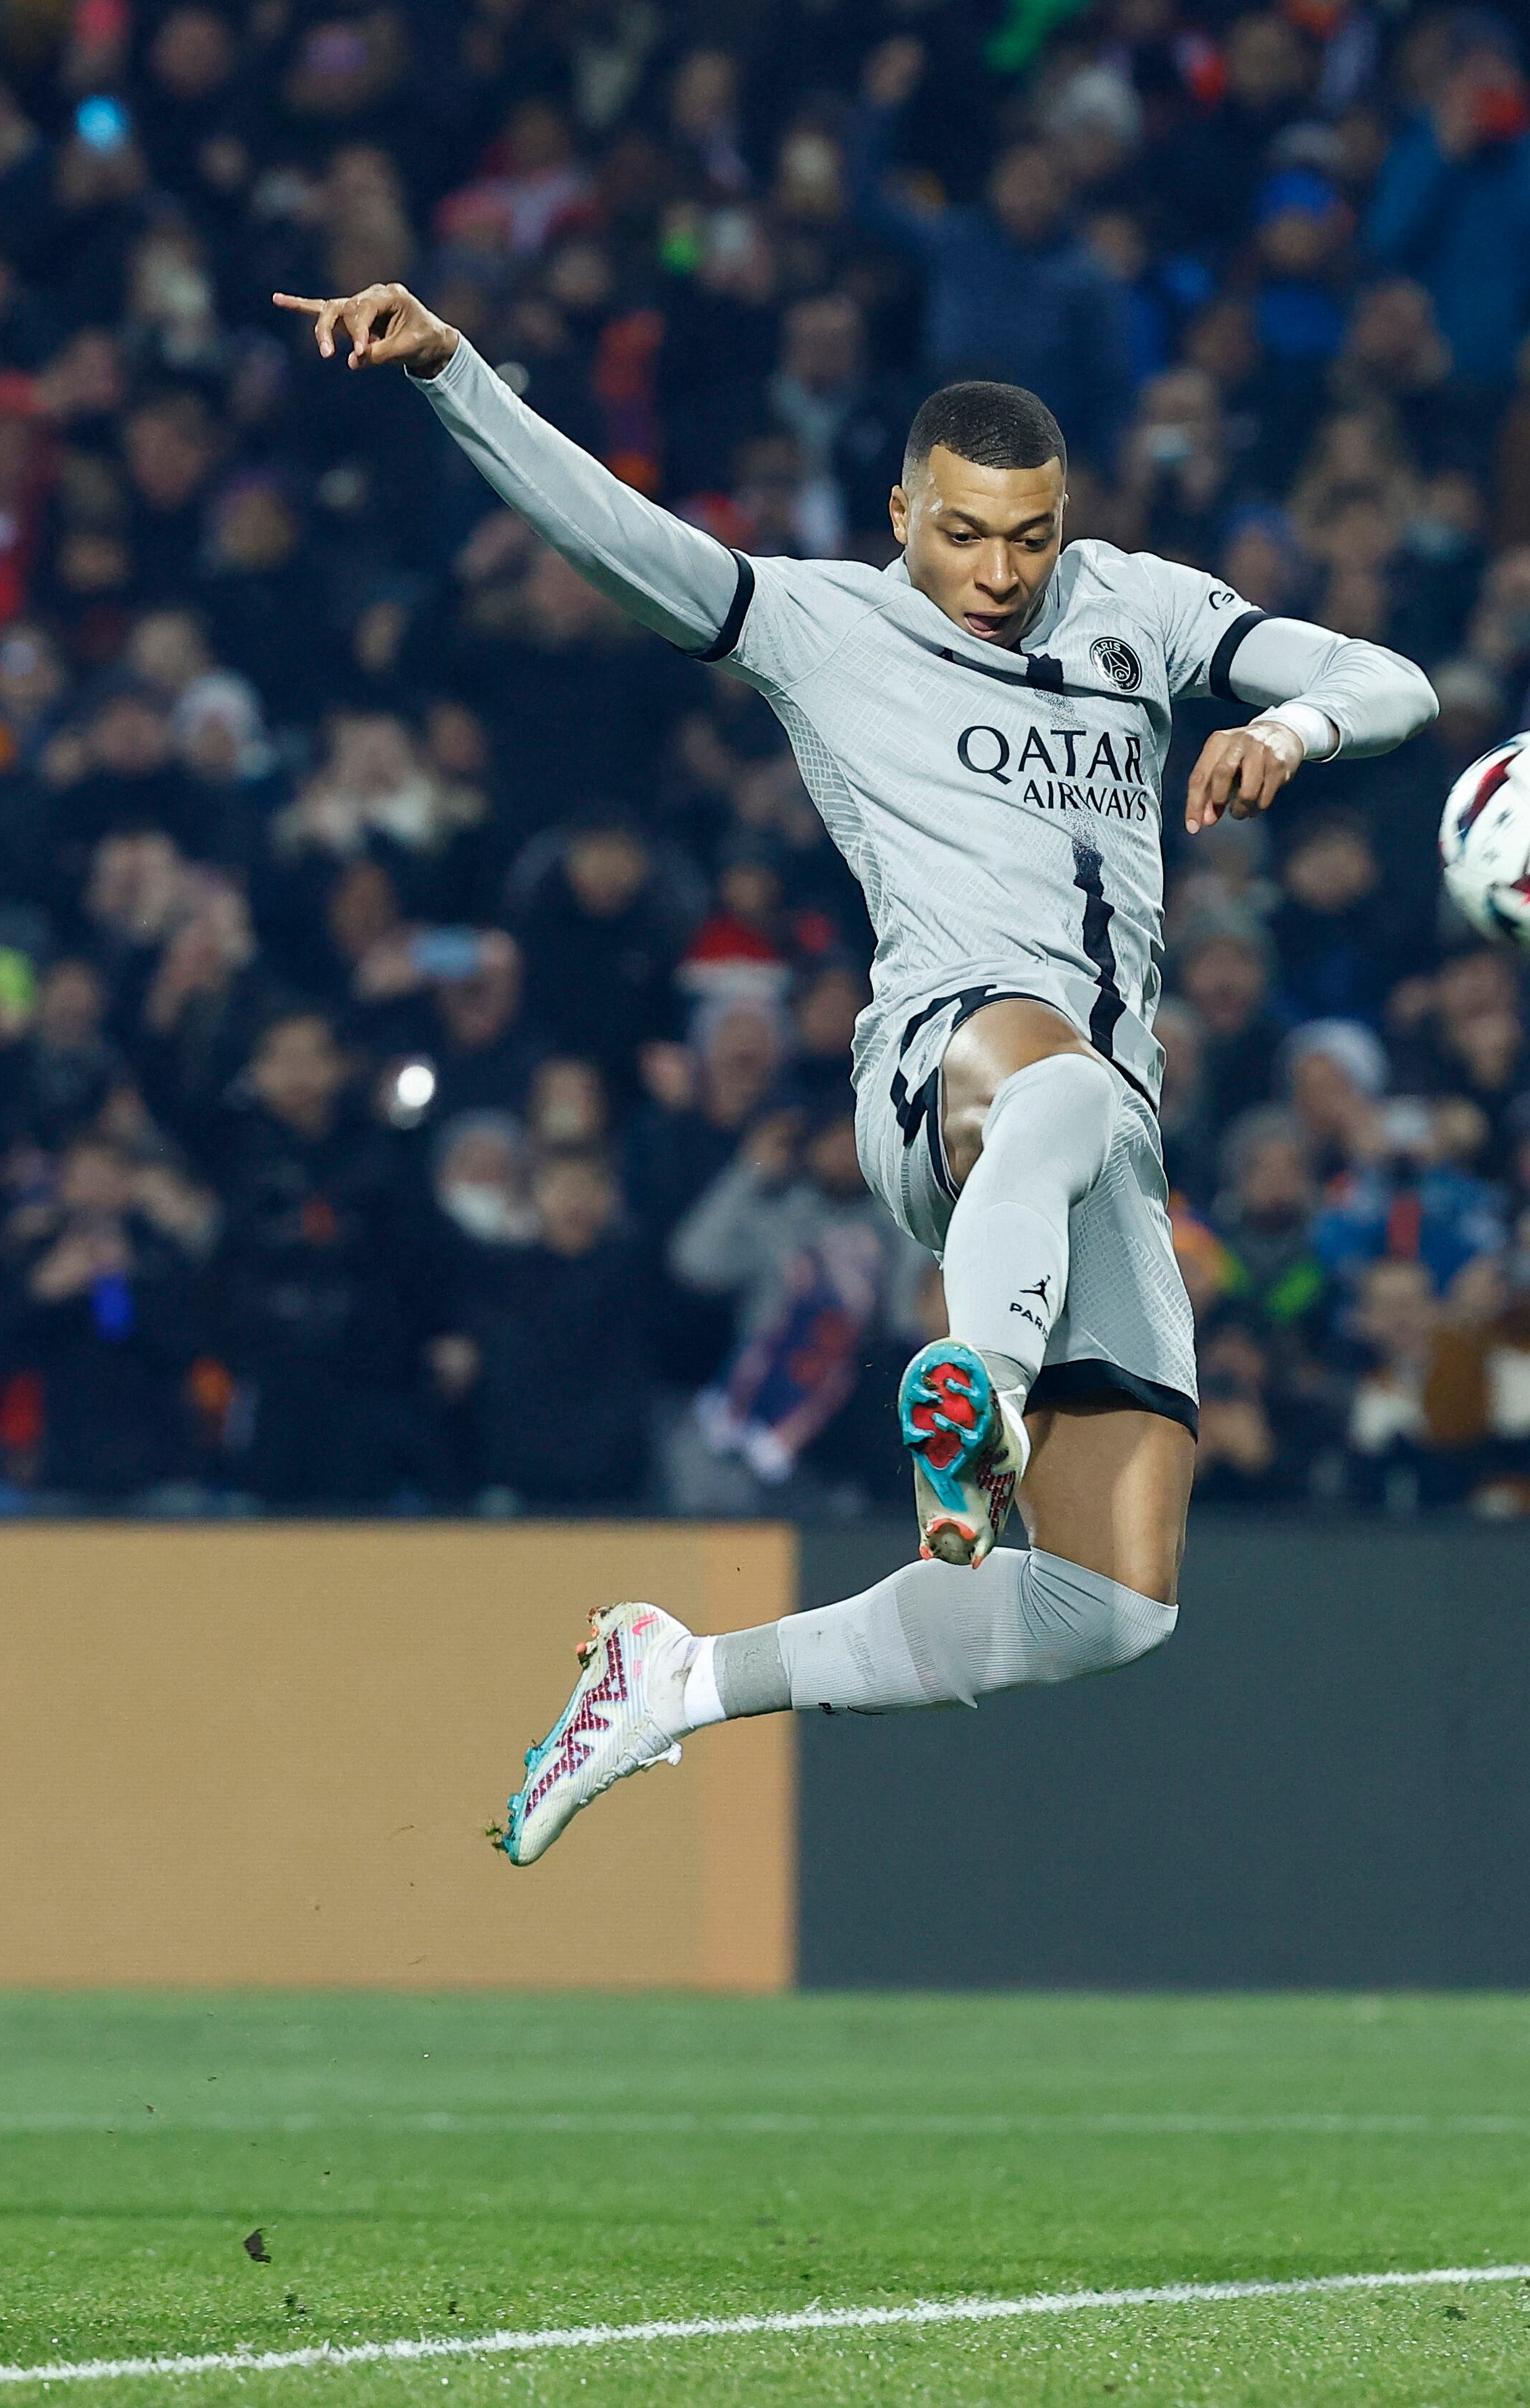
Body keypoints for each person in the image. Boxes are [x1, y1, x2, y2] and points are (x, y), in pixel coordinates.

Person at [272, 280, 1436, 1867]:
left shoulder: (1138, 608)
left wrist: (1290, 733)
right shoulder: (828, 621)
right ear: (901, 511)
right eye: (962, 533)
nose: (998, 571)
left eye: (1028, 536)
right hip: (943, 1065)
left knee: (1112, 1604)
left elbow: (1394, 680)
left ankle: (677, 1678)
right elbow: (621, 539)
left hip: (1100, 1145)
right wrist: (456, 375)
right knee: (1062, 1084)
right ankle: (983, 1405)